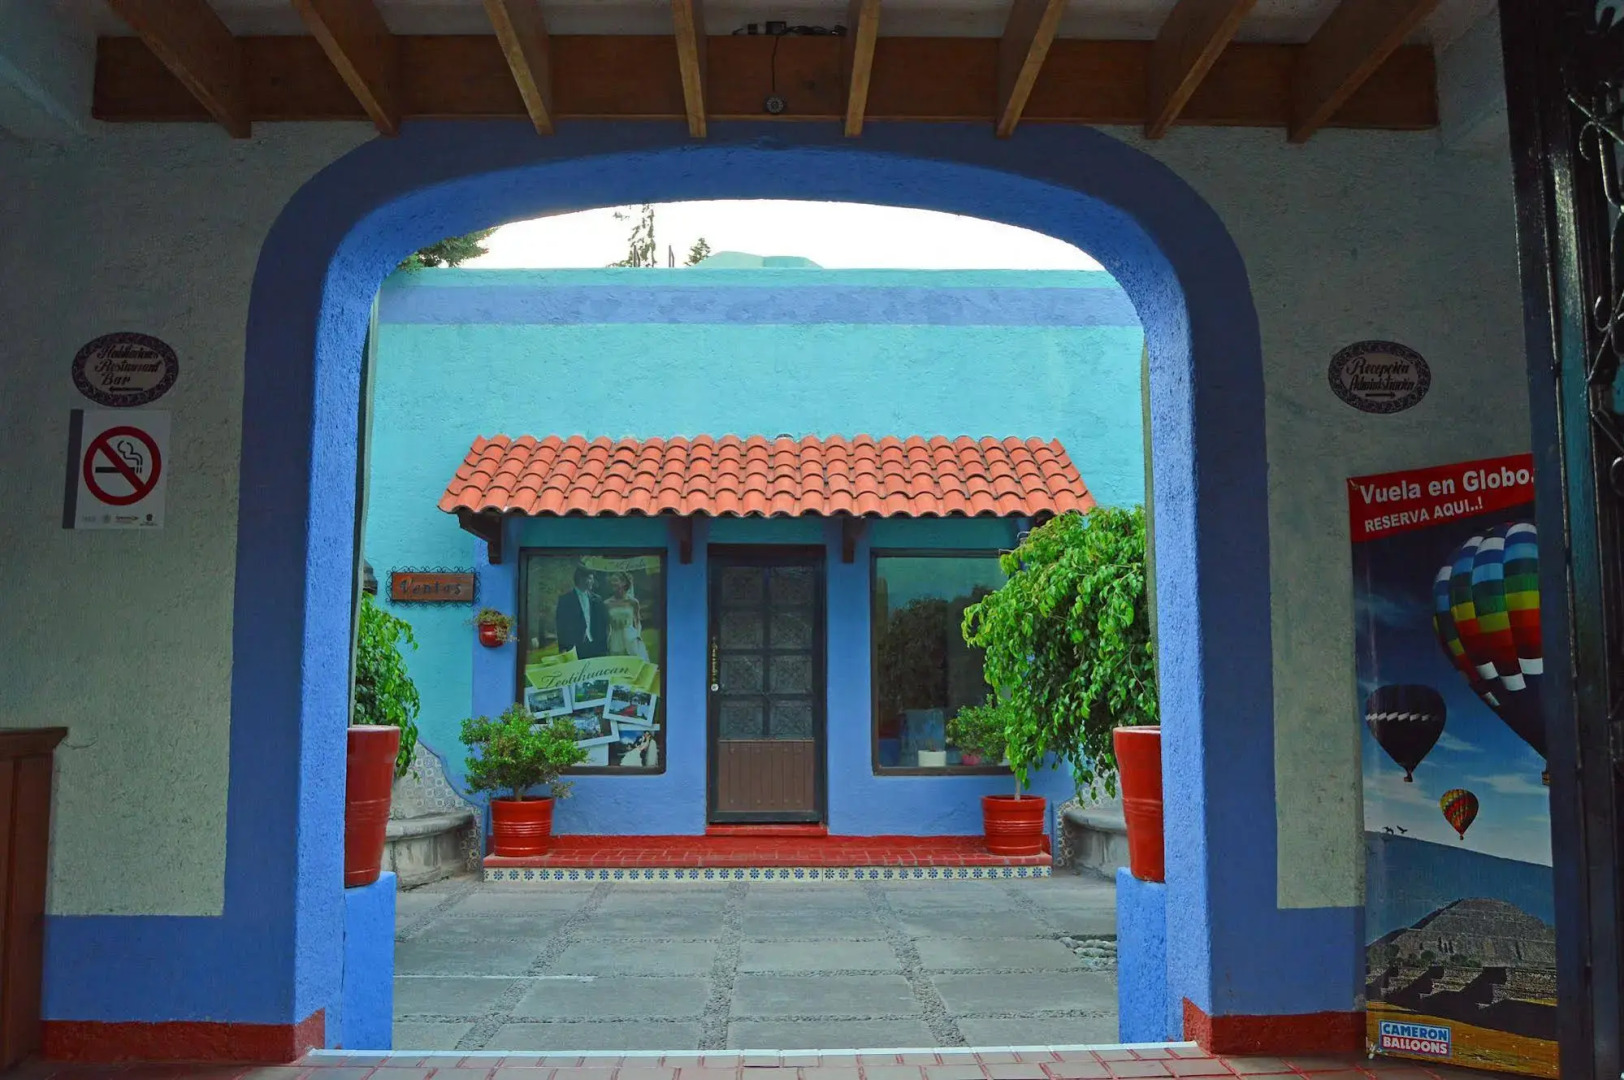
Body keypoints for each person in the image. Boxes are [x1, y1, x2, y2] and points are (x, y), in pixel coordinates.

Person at [555, 566, 610, 659]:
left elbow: (602, 624)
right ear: (581, 579)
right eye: (590, 578)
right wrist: (563, 647)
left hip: (595, 646)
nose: (592, 581)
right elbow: (561, 625)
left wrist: (604, 646)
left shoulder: (597, 600)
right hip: (575, 647)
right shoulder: (565, 600)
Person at [604, 571, 651, 661]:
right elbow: (606, 625)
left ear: (623, 583)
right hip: (615, 637)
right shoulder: (607, 604)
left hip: (631, 637)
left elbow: (637, 621)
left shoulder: (633, 602)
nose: (612, 583)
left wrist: (637, 635)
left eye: (615, 580)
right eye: (611, 581)